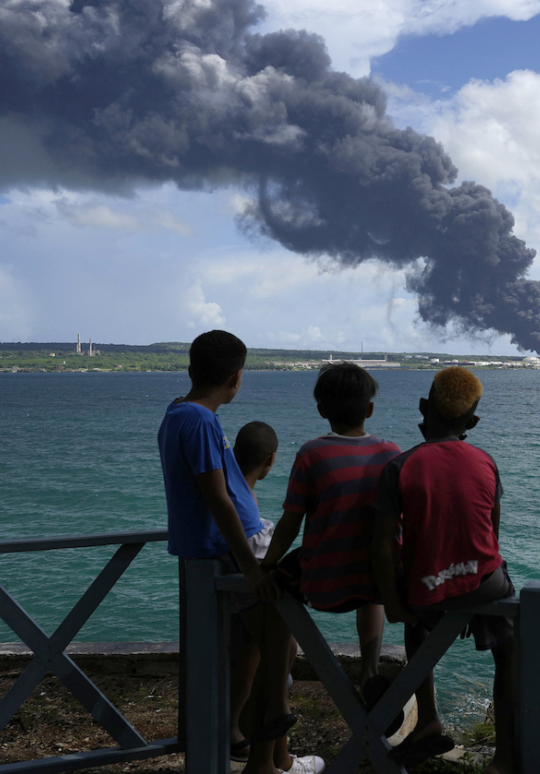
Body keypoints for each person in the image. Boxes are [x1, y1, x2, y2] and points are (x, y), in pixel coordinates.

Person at [158, 330, 323, 774]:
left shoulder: (176, 413)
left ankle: (247, 738)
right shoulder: (203, 422)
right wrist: (251, 568)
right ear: (236, 378)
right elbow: (218, 499)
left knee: (259, 649)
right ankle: (276, 761)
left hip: (212, 550)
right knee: (281, 645)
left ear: (192, 369)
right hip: (237, 547)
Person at [370, 367, 518, 774]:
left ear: (423, 408)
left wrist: (393, 604)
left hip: (429, 589)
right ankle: (505, 759)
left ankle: (430, 714)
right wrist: (471, 580)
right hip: (485, 583)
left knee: (415, 626)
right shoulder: (485, 461)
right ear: (472, 423)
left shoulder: (399, 467)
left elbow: (383, 547)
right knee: (509, 653)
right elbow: (492, 533)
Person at [261, 362, 401, 724]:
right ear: (370, 409)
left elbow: (291, 522)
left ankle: (278, 683)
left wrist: (266, 565)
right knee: (371, 570)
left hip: (322, 586)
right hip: (381, 584)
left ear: (322, 409)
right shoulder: (392, 454)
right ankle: (368, 670)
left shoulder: (312, 454)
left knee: (277, 582)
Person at [230, 421, 298, 763]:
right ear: (270, 460)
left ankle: (246, 738)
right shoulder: (243, 504)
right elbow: (258, 549)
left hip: (227, 590)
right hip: (247, 590)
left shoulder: (229, 486)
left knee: (255, 658)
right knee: (281, 655)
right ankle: (274, 760)